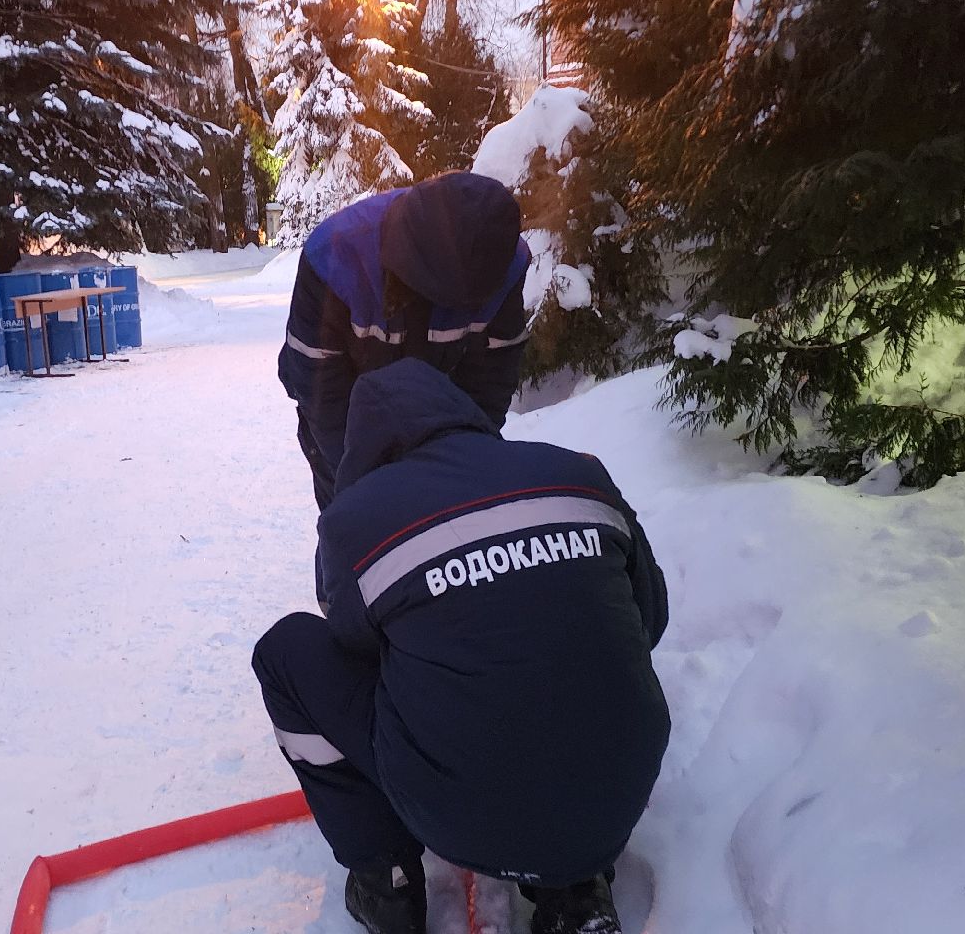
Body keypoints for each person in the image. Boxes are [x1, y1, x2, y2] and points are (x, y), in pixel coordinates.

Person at [251, 359, 671, 934]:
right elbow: (651, 618)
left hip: (458, 813)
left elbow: (356, 648)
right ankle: (578, 888)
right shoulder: (578, 473)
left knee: (285, 653)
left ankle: (387, 880)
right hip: (622, 790)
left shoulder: (355, 519)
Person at [279, 172, 530, 512]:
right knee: (354, 528)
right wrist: (363, 481)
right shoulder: (333, 255)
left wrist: (462, 460)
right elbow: (320, 391)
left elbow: (491, 380)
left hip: (441, 421)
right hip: (346, 420)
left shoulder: (504, 259)